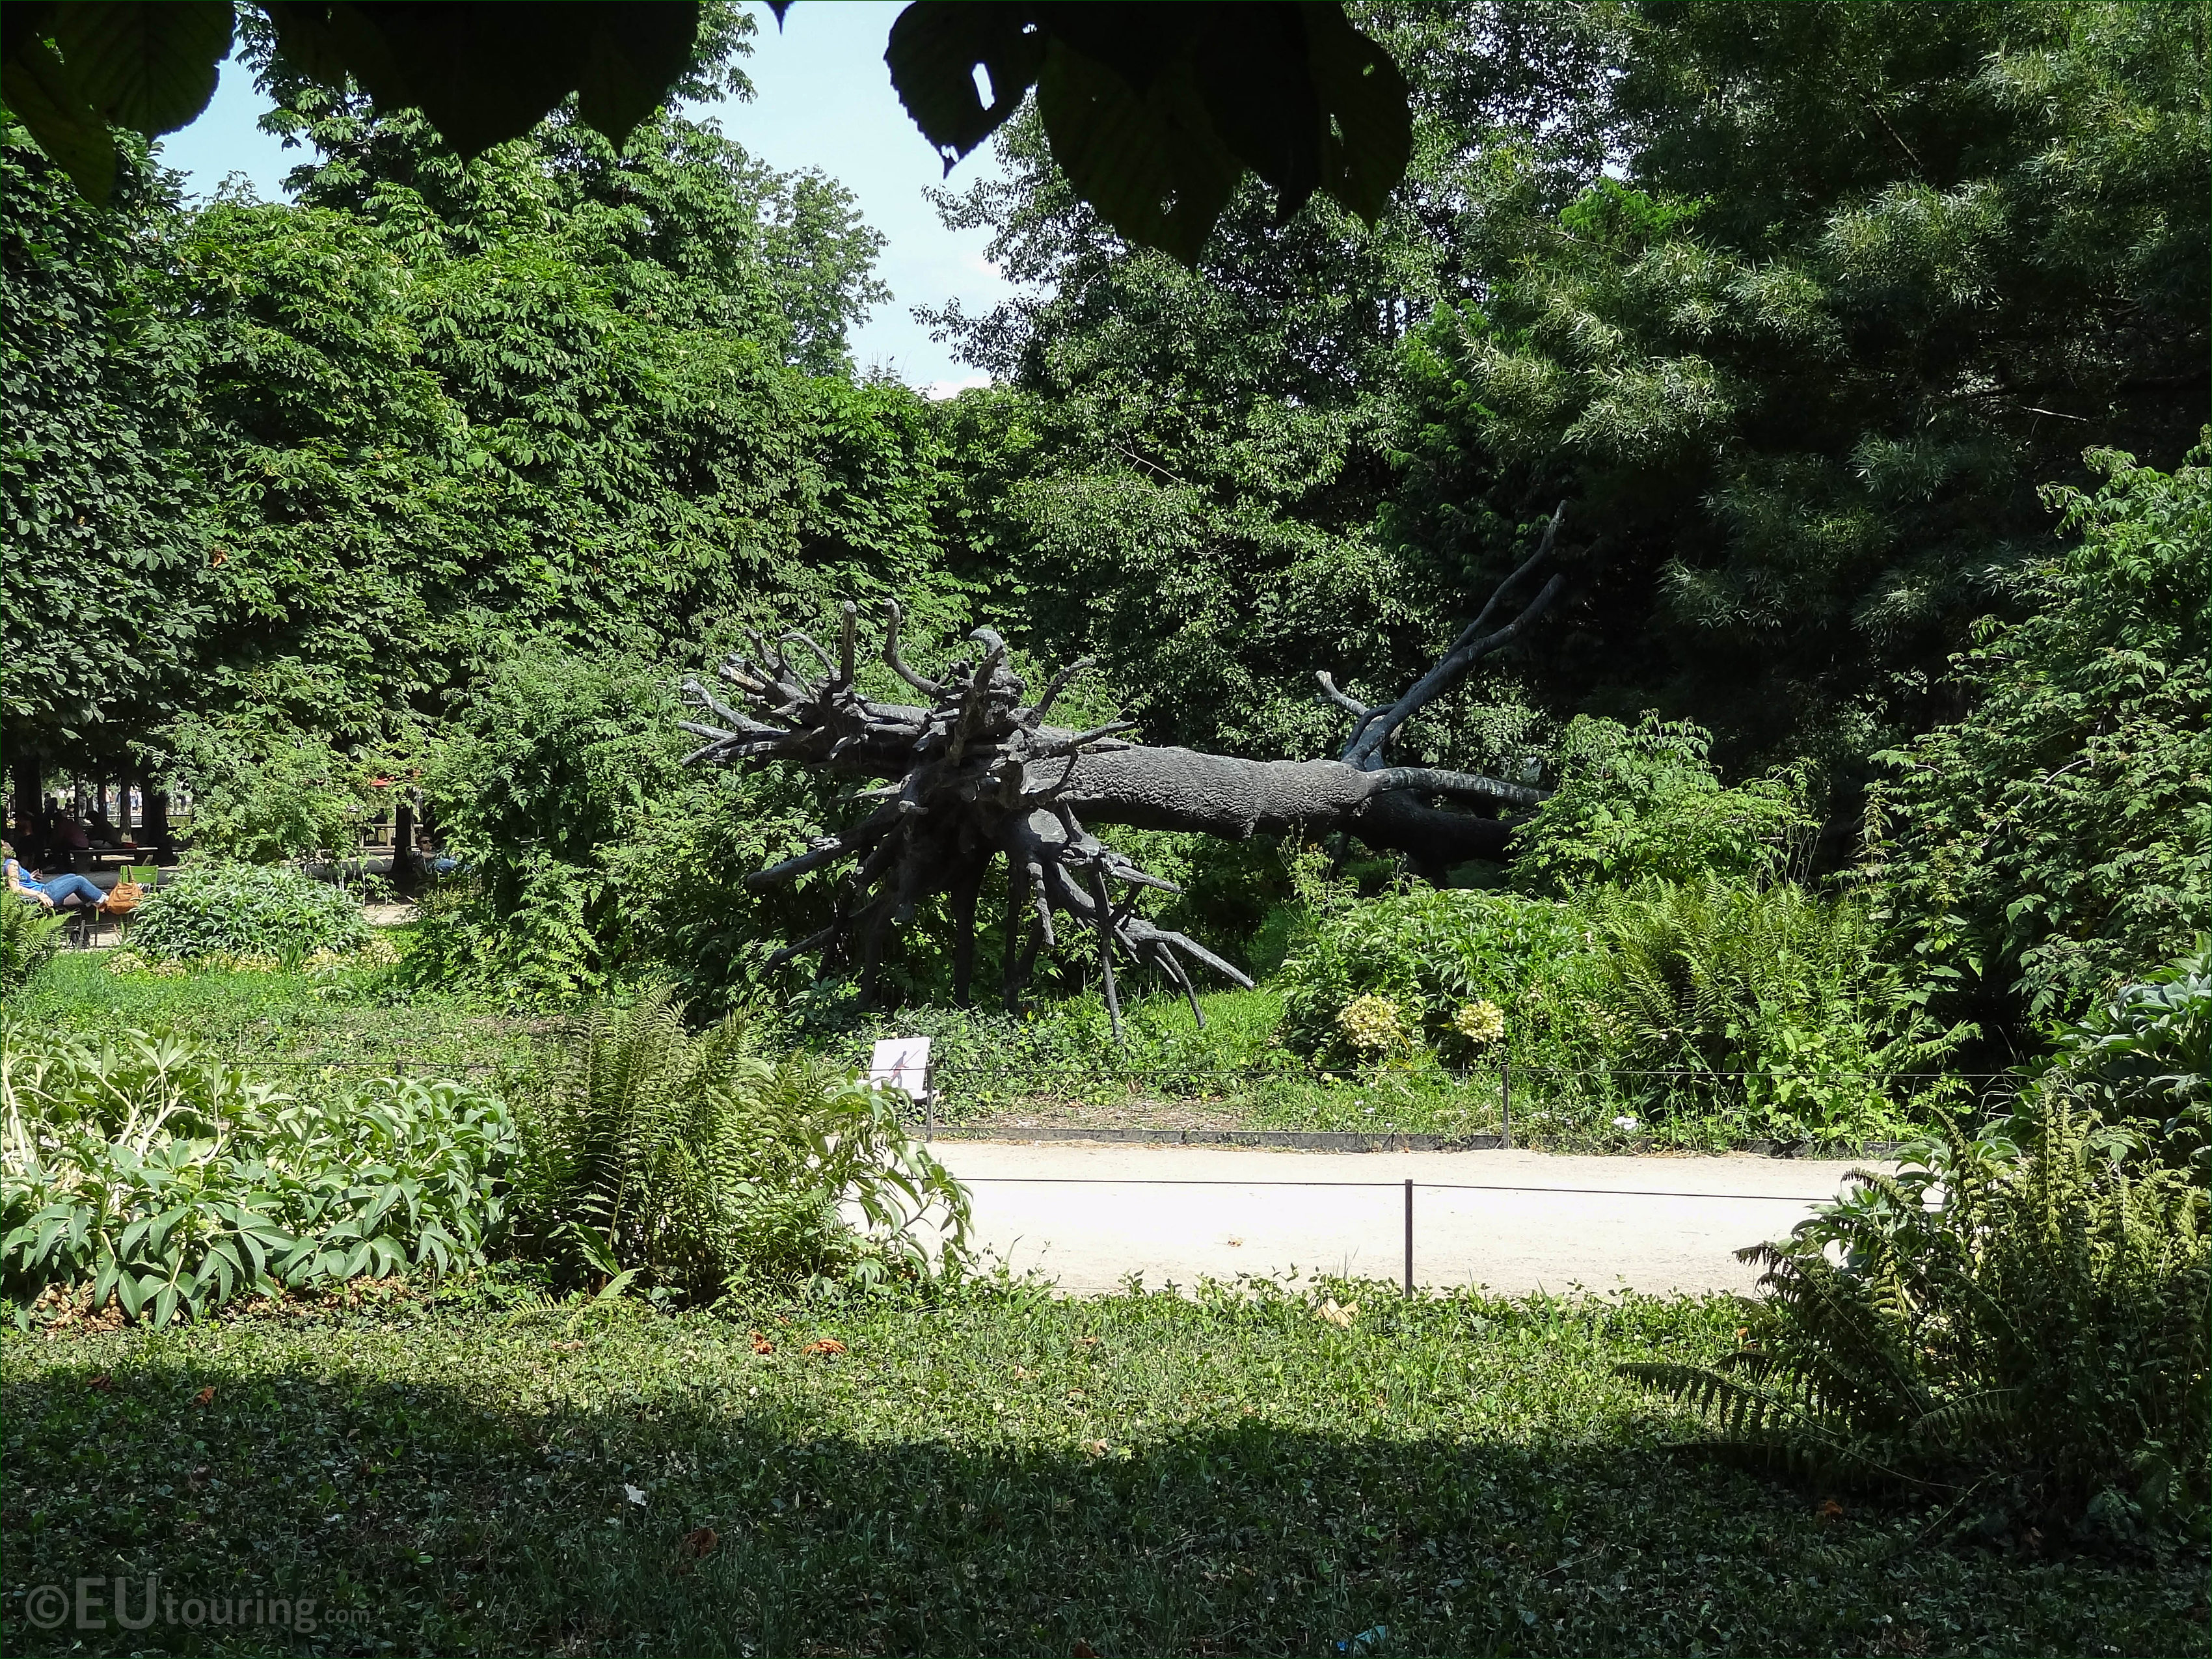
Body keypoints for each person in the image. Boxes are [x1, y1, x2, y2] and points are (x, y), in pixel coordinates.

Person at [3, 840, 107, 912]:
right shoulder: (11, 863)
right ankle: (105, 900)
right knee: (78, 881)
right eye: (4, 842)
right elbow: (15, 888)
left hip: (43, 889)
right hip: (45, 893)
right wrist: (39, 894)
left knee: (71, 876)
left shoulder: (5, 864)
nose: (8, 843)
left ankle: (95, 901)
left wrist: (30, 878)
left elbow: (15, 881)